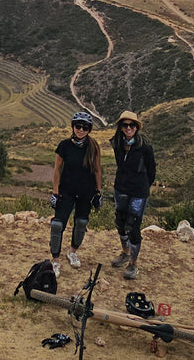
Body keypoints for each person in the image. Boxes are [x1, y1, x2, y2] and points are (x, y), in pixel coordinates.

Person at [48, 110, 103, 275]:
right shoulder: (64, 145)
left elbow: (98, 170)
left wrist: (98, 192)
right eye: (78, 126)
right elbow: (57, 169)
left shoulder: (93, 147)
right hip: (66, 190)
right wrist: (55, 192)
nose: (81, 130)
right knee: (57, 225)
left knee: (81, 223)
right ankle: (55, 260)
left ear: (89, 129)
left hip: (86, 192)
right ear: (73, 127)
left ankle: (72, 251)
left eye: (85, 127)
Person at [110, 110, 156, 280]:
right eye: (125, 125)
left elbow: (152, 171)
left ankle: (133, 264)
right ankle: (125, 253)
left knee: (133, 227)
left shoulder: (145, 147)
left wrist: (142, 186)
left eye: (132, 125)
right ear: (121, 127)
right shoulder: (118, 144)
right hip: (121, 189)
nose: (128, 128)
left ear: (137, 127)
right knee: (120, 223)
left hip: (138, 193)